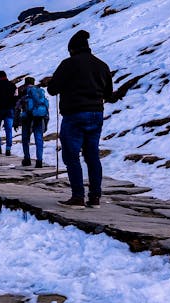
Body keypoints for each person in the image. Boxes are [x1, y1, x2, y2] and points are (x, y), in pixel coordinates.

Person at [48, 30, 114, 209]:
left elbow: (53, 89)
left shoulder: (68, 64)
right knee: (92, 155)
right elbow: (109, 94)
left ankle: (78, 197)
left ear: (72, 49)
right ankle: (95, 198)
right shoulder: (102, 65)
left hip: (74, 114)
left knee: (71, 155)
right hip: (96, 114)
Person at [16, 77, 49, 168]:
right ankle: (39, 161)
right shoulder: (39, 92)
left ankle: (27, 159)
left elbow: (18, 106)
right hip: (39, 117)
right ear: (34, 82)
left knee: (25, 139)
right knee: (38, 139)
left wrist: (16, 121)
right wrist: (46, 122)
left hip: (27, 118)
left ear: (26, 83)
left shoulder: (24, 91)